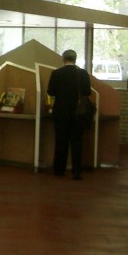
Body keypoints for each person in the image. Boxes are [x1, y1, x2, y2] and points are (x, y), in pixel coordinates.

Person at [46, 49, 92, 180]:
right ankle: (76, 171)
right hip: (78, 113)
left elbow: (51, 92)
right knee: (77, 142)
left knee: (61, 141)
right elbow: (87, 92)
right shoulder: (82, 74)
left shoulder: (56, 73)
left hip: (60, 111)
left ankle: (59, 170)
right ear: (75, 59)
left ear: (63, 59)